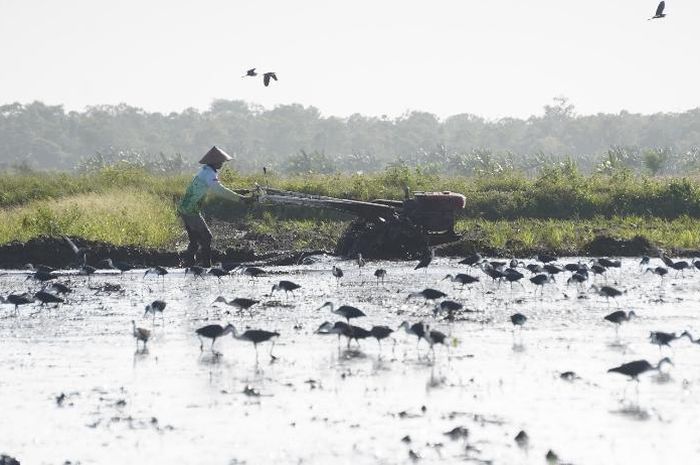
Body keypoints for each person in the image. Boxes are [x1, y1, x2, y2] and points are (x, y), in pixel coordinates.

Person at [178, 146, 253, 267]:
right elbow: (219, 190)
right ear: (215, 162)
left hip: (186, 207)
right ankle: (206, 265)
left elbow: (217, 188)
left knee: (195, 240)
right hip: (191, 209)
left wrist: (239, 192)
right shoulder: (209, 173)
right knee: (207, 237)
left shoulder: (205, 171)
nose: (222, 164)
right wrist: (241, 199)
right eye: (221, 161)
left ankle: (188, 265)